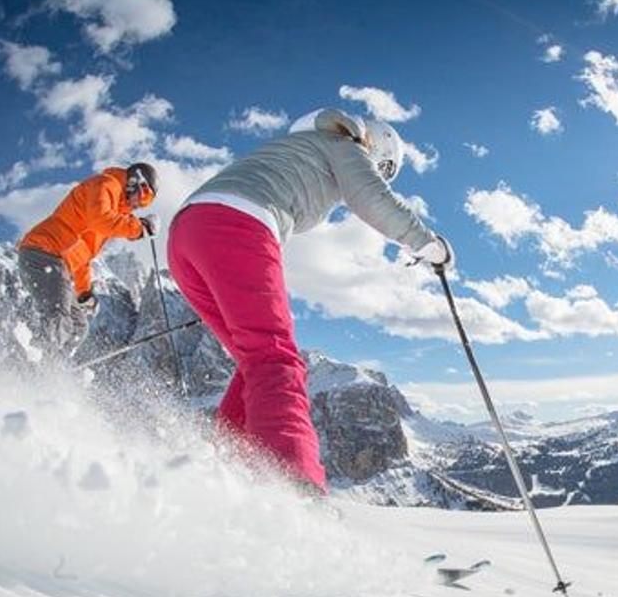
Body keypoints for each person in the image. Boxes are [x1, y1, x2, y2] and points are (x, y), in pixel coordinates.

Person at [168, 109, 453, 493]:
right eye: (382, 169)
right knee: (277, 359)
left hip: (187, 232)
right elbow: (370, 197)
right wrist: (428, 244)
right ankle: (293, 487)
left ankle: (225, 473)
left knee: (253, 362)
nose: (378, 174)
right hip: (238, 225)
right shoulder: (343, 144)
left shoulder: (298, 145)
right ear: (378, 150)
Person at [17, 163, 160, 358]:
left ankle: (52, 369)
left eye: (147, 202)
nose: (140, 204)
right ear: (135, 180)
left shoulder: (114, 215)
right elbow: (100, 219)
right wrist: (137, 228)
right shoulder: (106, 184)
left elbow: (83, 257)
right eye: (144, 195)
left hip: (58, 263)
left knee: (78, 326)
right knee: (58, 316)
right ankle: (26, 367)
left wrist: (84, 293)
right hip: (42, 252)